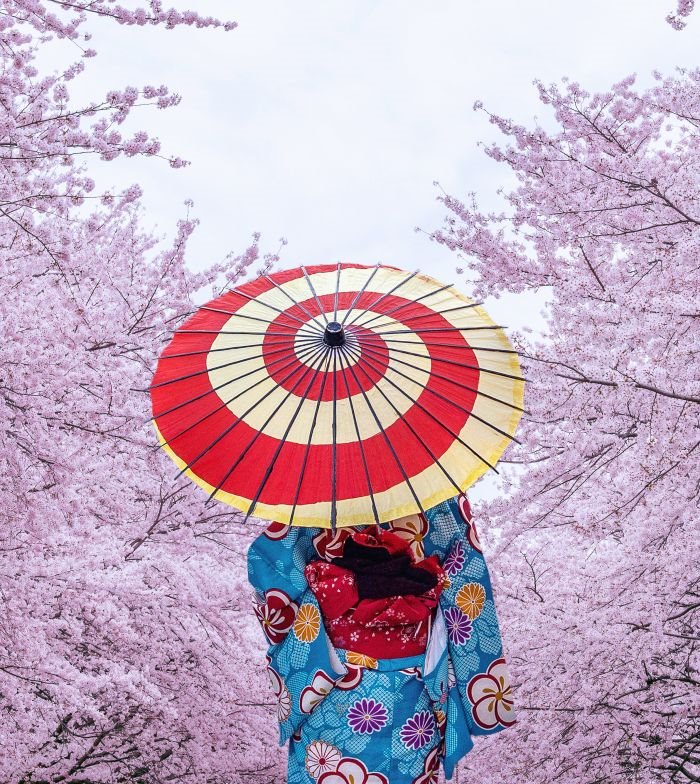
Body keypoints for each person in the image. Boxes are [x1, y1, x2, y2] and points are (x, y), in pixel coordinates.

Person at [247, 493, 516, 784]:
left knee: (330, 769)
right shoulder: (436, 492)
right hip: (415, 684)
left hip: (330, 678)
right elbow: (467, 589)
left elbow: (269, 581)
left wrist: (324, 610)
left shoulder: (313, 497)